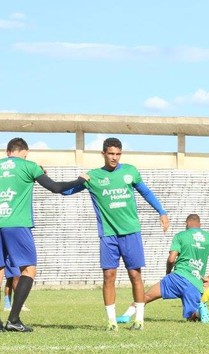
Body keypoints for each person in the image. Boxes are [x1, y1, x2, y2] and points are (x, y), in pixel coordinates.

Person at [63, 137, 169, 331]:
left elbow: (146, 192)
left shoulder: (130, 171)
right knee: (109, 276)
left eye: (118, 154)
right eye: (111, 154)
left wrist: (161, 211)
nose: (114, 158)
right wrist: (49, 178)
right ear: (103, 154)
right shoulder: (93, 177)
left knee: (135, 275)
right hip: (108, 234)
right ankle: (111, 322)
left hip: (131, 232)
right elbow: (66, 191)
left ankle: (139, 320)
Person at [0, 137, 88, 332]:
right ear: (24, 152)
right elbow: (55, 188)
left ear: (8, 152)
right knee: (29, 270)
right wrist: (79, 181)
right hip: (16, 224)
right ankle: (13, 320)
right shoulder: (29, 165)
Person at [117, 214, 209, 323]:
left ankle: (126, 315)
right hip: (195, 283)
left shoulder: (180, 236)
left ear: (186, 223)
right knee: (191, 316)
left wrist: (168, 272)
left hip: (177, 277)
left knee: (146, 296)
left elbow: (171, 259)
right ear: (200, 224)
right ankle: (199, 312)